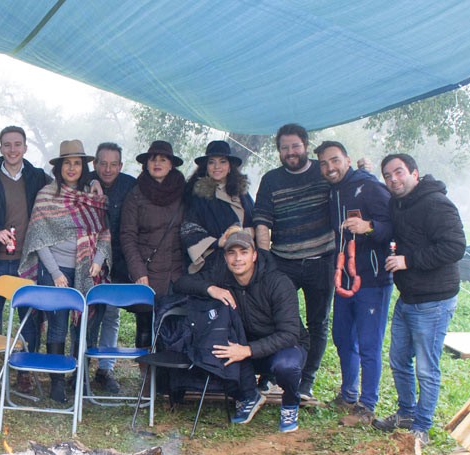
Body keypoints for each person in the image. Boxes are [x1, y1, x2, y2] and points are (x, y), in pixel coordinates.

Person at [372, 154, 466, 446]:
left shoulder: (436, 203)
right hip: (408, 296)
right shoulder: (397, 203)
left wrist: (408, 260)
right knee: (399, 360)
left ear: (415, 172)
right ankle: (406, 413)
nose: (393, 180)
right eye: (387, 176)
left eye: (398, 172)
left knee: (426, 367)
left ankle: (422, 428)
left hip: (434, 301)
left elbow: (455, 246)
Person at [174, 230, 308, 433]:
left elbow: (290, 334)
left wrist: (247, 350)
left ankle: (290, 403)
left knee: (286, 366)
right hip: (244, 344)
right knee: (218, 349)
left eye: (243, 252)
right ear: (225, 257)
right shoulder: (222, 275)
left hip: (284, 347)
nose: (237, 259)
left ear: (254, 255)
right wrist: (211, 289)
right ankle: (247, 396)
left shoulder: (278, 283)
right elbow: (182, 283)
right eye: (231, 253)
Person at [19, 139, 109, 403]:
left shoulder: (93, 197)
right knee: (57, 325)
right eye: (67, 163)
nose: (72, 168)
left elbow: (104, 233)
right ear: (59, 167)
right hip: (54, 270)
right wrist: (56, 273)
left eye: (77, 163)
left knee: (83, 326)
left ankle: (79, 374)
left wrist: (100, 259)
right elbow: (38, 238)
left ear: (84, 167)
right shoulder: (47, 195)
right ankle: (56, 382)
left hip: (86, 269)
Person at [314, 141, 393, 423]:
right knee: (342, 337)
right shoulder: (333, 190)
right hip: (343, 278)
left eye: (334, 160)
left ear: (347, 160)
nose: (330, 167)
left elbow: (395, 223)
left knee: (370, 343)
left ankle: (367, 406)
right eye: (324, 164)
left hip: (372, 280)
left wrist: (370, 227)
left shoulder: (369, 187)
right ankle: (348, 395)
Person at [253, 124, 332, 402]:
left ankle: (306, 380)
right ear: (278, 151)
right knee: (277, 319)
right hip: (283, 261)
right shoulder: (271, 179)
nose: (290, 152)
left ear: (306, 146)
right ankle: (270, 374)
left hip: (321, 260)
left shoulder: (322, 173)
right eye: (284, 148)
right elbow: (262, 220)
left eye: (295, 146)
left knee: (318, 322)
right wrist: (264, 260)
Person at [0, 126, 49, 389]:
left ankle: (23, 371)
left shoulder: (39, 178)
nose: (13, 150)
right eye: (7, 145)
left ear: (26, 148)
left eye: (18, 144)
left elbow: (65, 188)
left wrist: (93, 181)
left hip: (27, 260)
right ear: (0, 147)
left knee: (28, 317)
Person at [120, 141, 186, 348]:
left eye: (163, 159)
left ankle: (170, 380)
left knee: (175, 330)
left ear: (171, 164)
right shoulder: (136, 194)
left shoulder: (184, 193)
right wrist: (138, 271)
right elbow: (127, 235)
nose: (157, 163)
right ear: (146, 163)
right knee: (145, 330)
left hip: (177, 273)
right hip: (147, 273)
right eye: (152, 158)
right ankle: (146, 379)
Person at [87, 142, 137, 394]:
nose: (108, 169)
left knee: (111, 315)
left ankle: (105, 369)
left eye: (113, 164)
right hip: (87, 261)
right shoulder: (84, 180)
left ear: (120, 165)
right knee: (87, 315)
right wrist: (89, 179)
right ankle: (80, 367)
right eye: (102, 163)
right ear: (94, 164)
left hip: (118, 261)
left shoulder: (130, 185)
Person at [181, 140, 255, 273]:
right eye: (211, 162)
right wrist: (218, 242)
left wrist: (245, 233)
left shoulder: (242, 192)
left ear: (230, 166)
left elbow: (254, 220)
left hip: (244, 258)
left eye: (222, 161)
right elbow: (190, 230)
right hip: (214, 263)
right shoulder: (198, 195)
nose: (217, 167)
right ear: (206, 166)